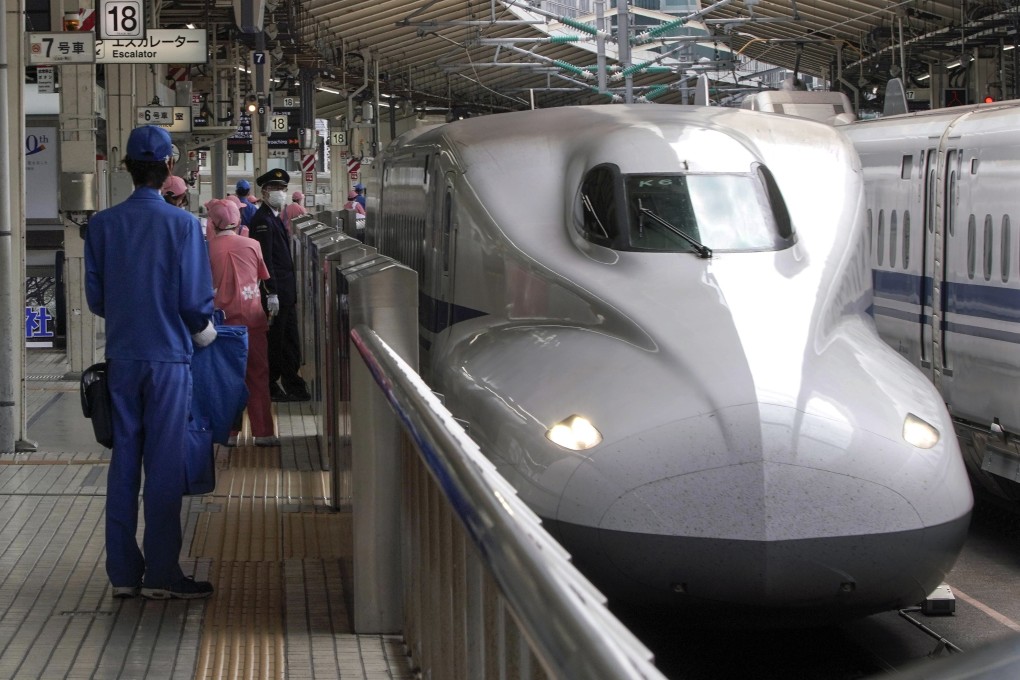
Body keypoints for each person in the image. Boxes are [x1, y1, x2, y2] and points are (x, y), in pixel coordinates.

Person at [84, 124, 217, 600]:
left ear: (125, 167)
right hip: (168, 360)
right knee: (163, 464)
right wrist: (204, 332)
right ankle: (161, 571)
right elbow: (194, 299)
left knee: (124, 462)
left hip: (122, 357)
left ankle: (123, 574)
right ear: (168, 168)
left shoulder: (101, 225)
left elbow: (96, 298)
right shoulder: (183, 225)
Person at [205, 198, 278, 446]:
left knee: (225, 378)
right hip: (253, 320)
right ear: (237, 221)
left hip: (220, 324)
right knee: (258, 374)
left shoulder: (207, 249)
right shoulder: (252, 245)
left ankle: (228, 433)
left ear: (213, 223)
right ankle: (264, 432)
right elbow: (262, 276)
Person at [248, 168, 311, 402]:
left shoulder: (272, 217)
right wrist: (270, 291)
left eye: (282, 189)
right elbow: (265, 260)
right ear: (264, 192)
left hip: (285, 293)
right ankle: (271, 385)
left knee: (289, 341)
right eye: (274, 189)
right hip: (276, 294)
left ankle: (293, 384)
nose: (279, 193)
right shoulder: (262, 221)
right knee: (276, 341)